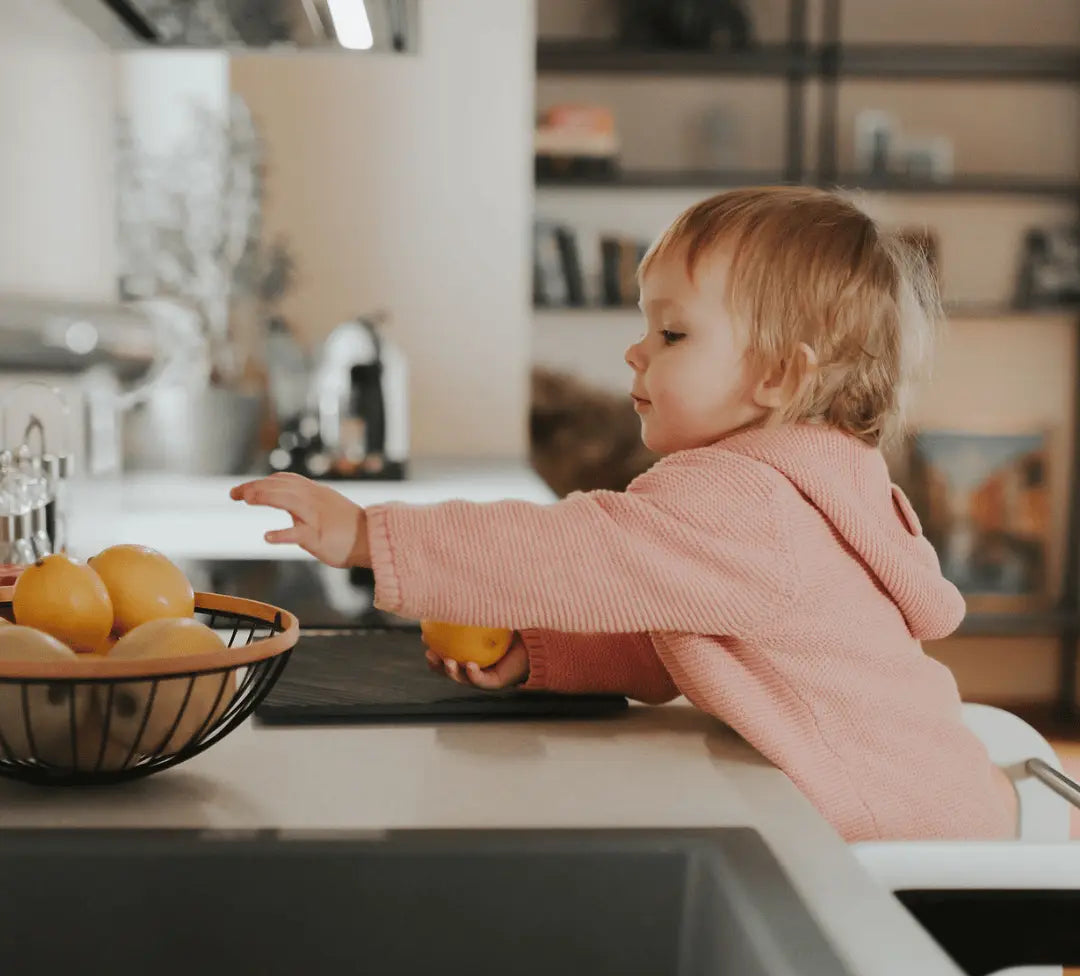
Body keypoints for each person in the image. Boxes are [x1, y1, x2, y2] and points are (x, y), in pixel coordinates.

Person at [231, 186, 1016, 843]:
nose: (637, 353)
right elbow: (687, 631)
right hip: (945, 812)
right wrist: (542, 652)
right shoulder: (812, 481)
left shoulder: (744, 501)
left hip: (897, 850)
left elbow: (575, 550)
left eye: (672, 332)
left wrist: (369, 534)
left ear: (780, 375)